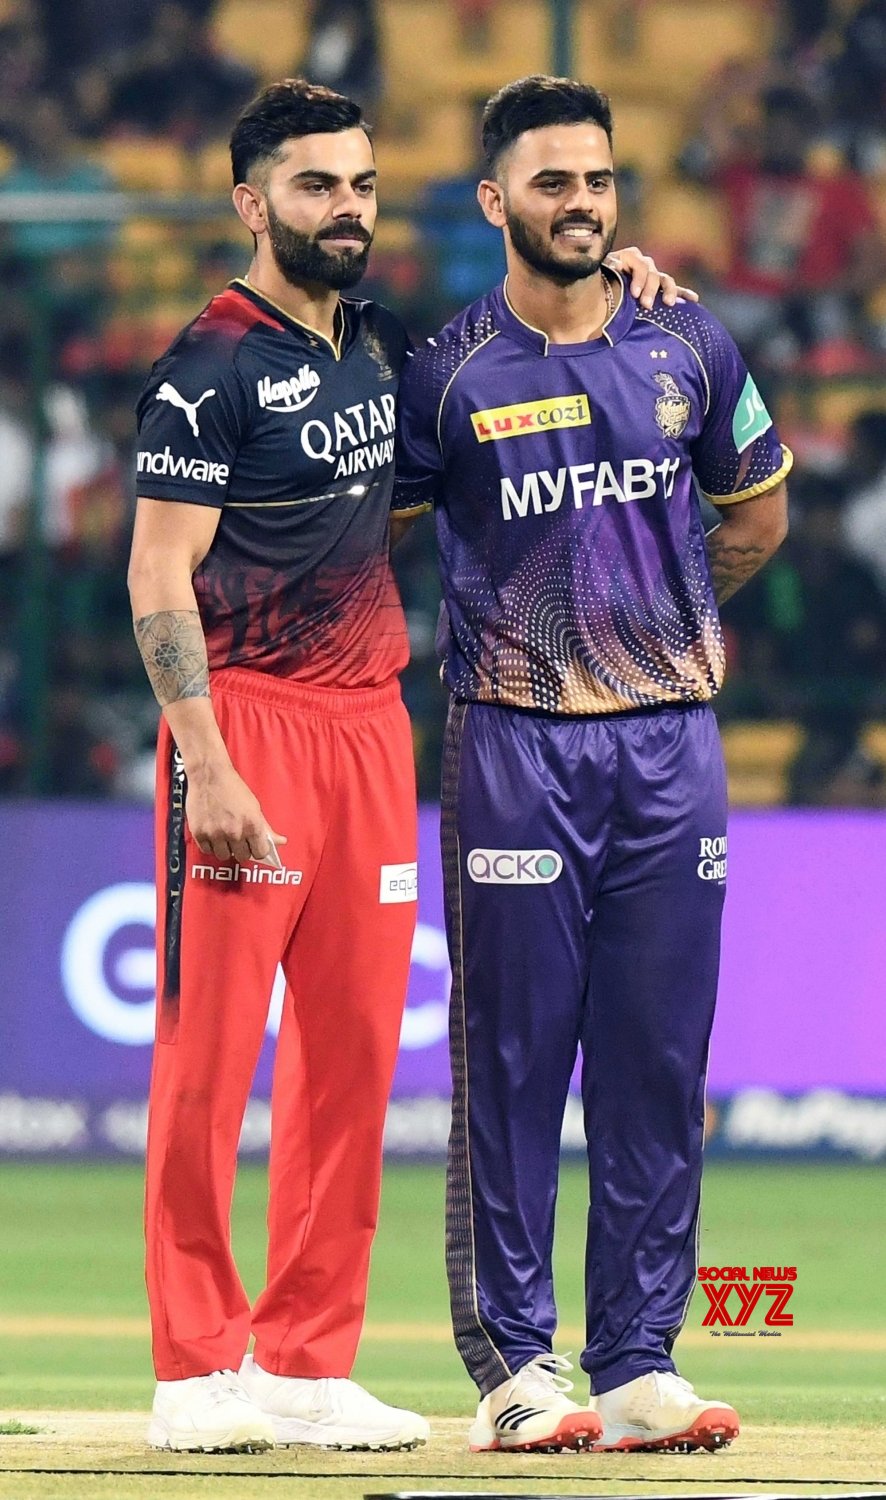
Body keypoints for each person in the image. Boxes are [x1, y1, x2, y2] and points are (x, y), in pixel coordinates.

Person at [128, 72, 702, 1458]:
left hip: (371, 727)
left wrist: (618, 275)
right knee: (209, 1055)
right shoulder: (204, 364)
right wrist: (203, 759)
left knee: (349, 1059)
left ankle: (309, 1357)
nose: (345, 209)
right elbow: (155, 573)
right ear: (249, 202)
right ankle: (197, 1368)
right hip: (244, 722)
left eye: (363, 185)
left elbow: (532, 324)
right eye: (316, 185)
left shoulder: (388, 350)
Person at [394, 75, 791, 1455]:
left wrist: (652, 628)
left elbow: (753, 518)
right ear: (494, 200)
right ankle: (515, 1364)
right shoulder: (442, 373)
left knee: (653, 1062)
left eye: (599, 181)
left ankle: (635, 1362)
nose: (581, 204)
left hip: (669, 746)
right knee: (508, 1062)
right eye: (551, 182)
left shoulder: (688, 343)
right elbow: (362, 542)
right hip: (510, 748)